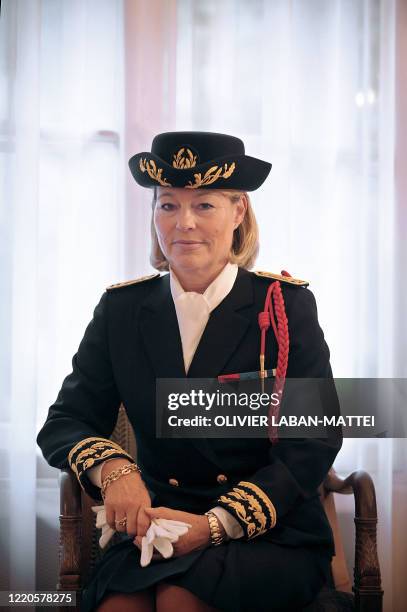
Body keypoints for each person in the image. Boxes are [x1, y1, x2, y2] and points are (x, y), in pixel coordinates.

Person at [37, 131, 343, 612]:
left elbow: (314, 442)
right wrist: (115, 470)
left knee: (182, 599)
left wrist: (217, 524)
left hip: (267, 532)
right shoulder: (121, 309)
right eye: (168, 205)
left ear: (238, 211)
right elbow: (64, 422)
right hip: (159, 526)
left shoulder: (284, 306)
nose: (184, 224)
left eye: (204, 205)